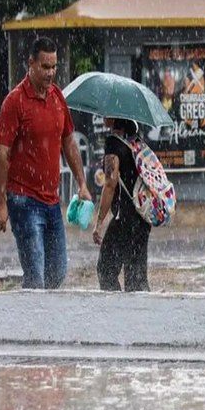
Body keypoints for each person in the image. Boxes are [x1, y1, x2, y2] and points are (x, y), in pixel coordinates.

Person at [0, 36, 92, 289]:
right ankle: (30, 322)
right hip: (23, 200)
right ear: (31, 64)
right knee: (36, 274)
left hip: (51, 201)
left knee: (57, 273)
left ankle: (39, 315)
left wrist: (82, 183)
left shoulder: (58, 97)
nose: (51, 73)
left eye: (54, 66)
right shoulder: (14, 102)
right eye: (45, 67)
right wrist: (1, 203)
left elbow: (69, 142)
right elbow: (2, 154)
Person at [92, 117, 151, 292]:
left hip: (125, 218)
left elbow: (110, 184)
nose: (103, 117)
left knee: (106, 269)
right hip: (142, 216)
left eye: (106, 113)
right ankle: (143, 315)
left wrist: (99, 223)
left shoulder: (113, 143)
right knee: (136, 277)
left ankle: (117, 314)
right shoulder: (136, 141)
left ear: (114, 117)